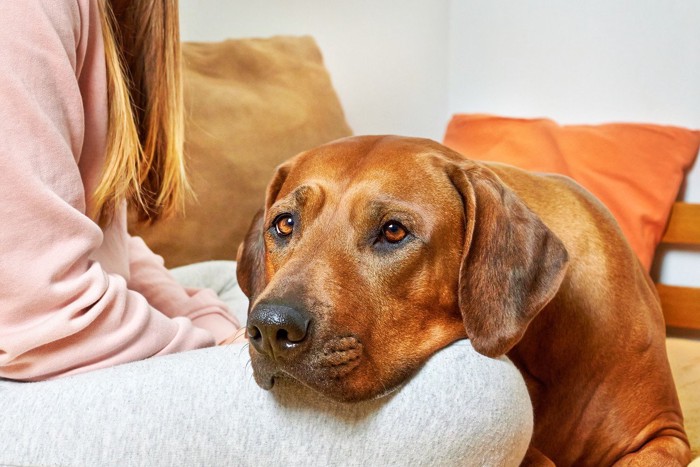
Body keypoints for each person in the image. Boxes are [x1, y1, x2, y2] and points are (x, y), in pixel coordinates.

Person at [0, 1, 533, 465]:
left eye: (391, 231)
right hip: (22, 380)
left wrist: (209, 320)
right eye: (286, 224)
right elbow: (36, 309)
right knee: (478, 393)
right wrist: (211, 347)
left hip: (45, 324)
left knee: (217, 286)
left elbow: (94, 240)